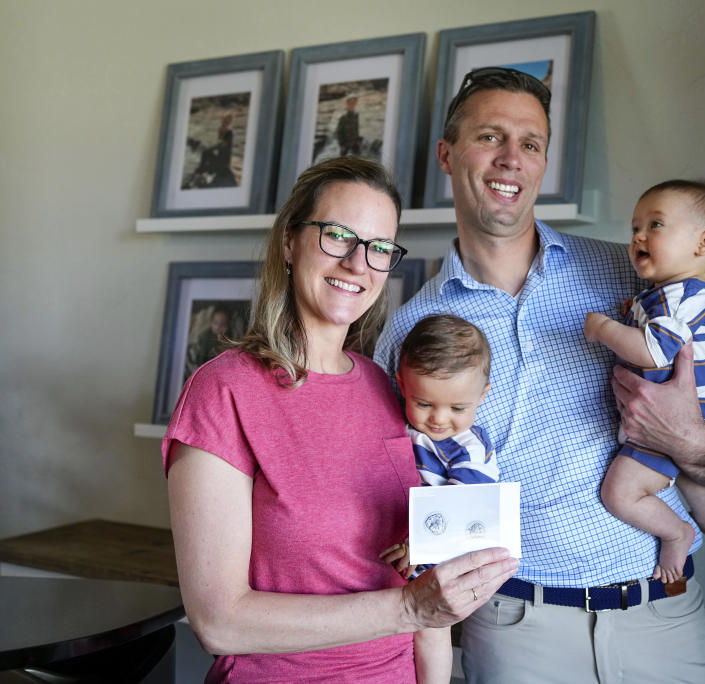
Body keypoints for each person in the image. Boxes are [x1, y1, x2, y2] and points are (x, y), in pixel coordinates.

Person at [373, 67, 705, 683]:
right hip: (517, 631)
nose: (510, 160)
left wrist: (693, 441)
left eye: (530, 144)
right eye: (489, 137)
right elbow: (409, 492)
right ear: (446, 154)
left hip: (664, 614)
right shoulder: (410, 333)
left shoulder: (631, 277)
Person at [163, 157, 518, 683]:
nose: (358, 263)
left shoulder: (388, 389)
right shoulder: (224, 391)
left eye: (379, 248)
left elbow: (420, 561)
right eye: (337, 235)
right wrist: (409, 608)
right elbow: (219, 621)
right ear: (289, 241)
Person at [584, 179, 705, 585]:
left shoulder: (678, 296)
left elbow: (653, 352)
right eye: (636, 226)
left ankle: (677, 531)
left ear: (703, 244)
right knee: (685, 465)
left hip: (675, 412)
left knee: (618, 493)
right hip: (696, 411)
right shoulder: (671, 293)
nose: (638, 235)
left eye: (656, 225)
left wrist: (603, 328)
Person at [380, 313, 498, 683]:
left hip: (438, 552)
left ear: (483, 395)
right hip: (397, 552)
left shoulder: (470, 447)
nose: (439, 419)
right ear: (402, 385)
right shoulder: (396, 423)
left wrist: (424, 545)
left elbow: (461, 506)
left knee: (430, 631)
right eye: (425, 404)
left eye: (458, 408)